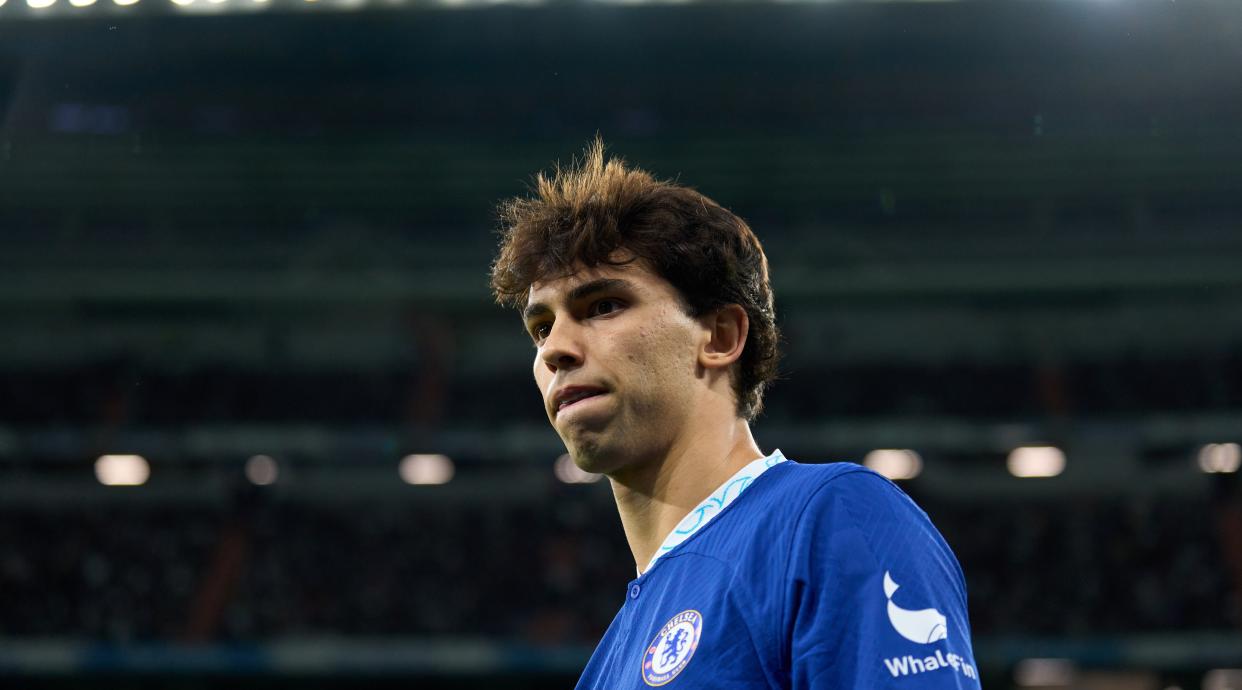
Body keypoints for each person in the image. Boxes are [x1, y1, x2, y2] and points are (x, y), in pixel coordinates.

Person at [489, 140, 980, 689]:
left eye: (603, 306)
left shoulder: (830, 519)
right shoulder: (606, 665)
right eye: (541, 327)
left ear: (720, 336)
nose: (555, 348)